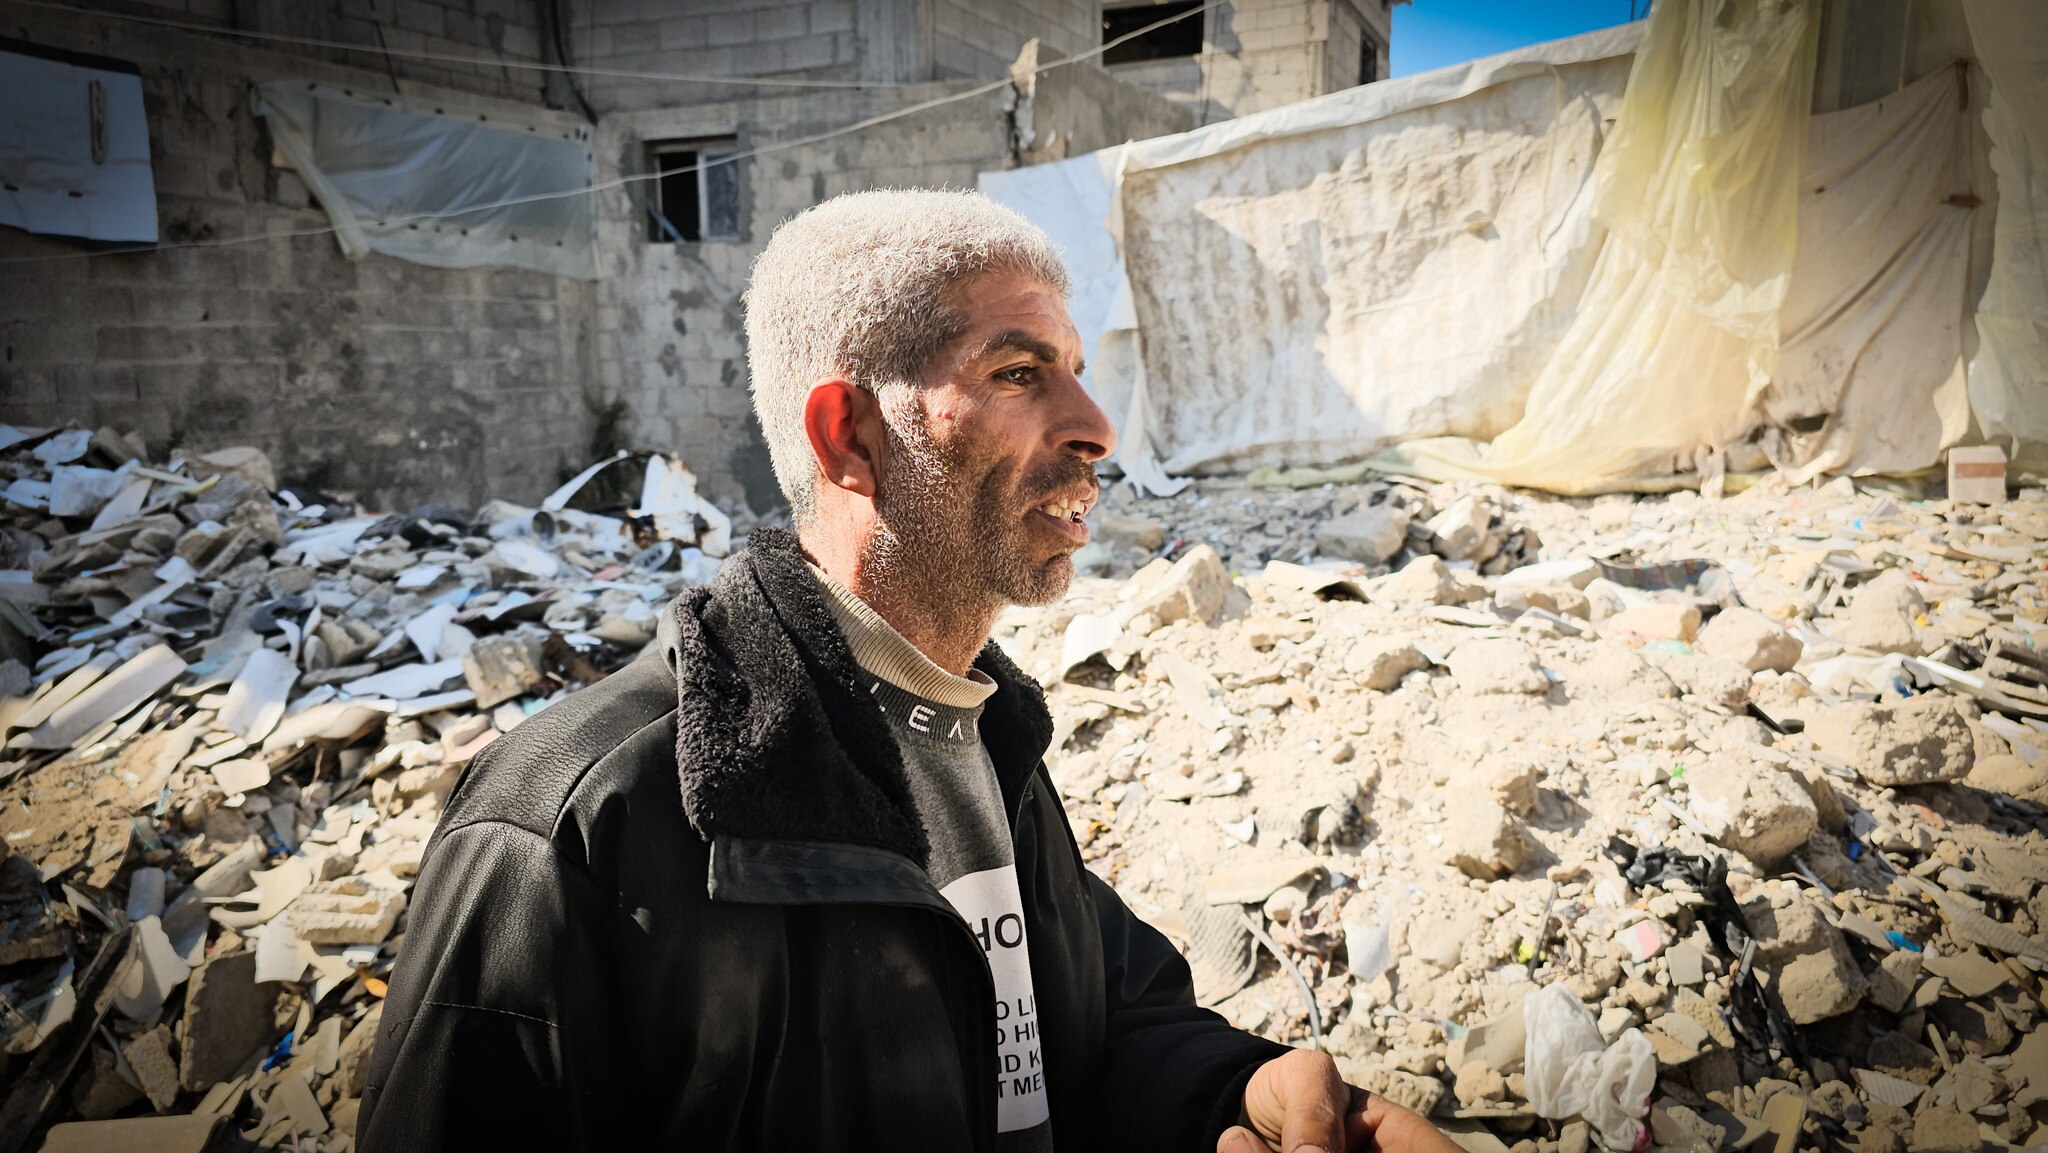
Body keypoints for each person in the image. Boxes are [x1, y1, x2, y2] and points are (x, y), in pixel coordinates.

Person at [357, 190, 1462, 1153]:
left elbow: (1082, 1037)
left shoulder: (992, 736)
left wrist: (1234, 1092)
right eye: (1018, 373)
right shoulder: (570, 824)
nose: (1096, 427)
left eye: (1077, 374)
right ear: (849, 434)